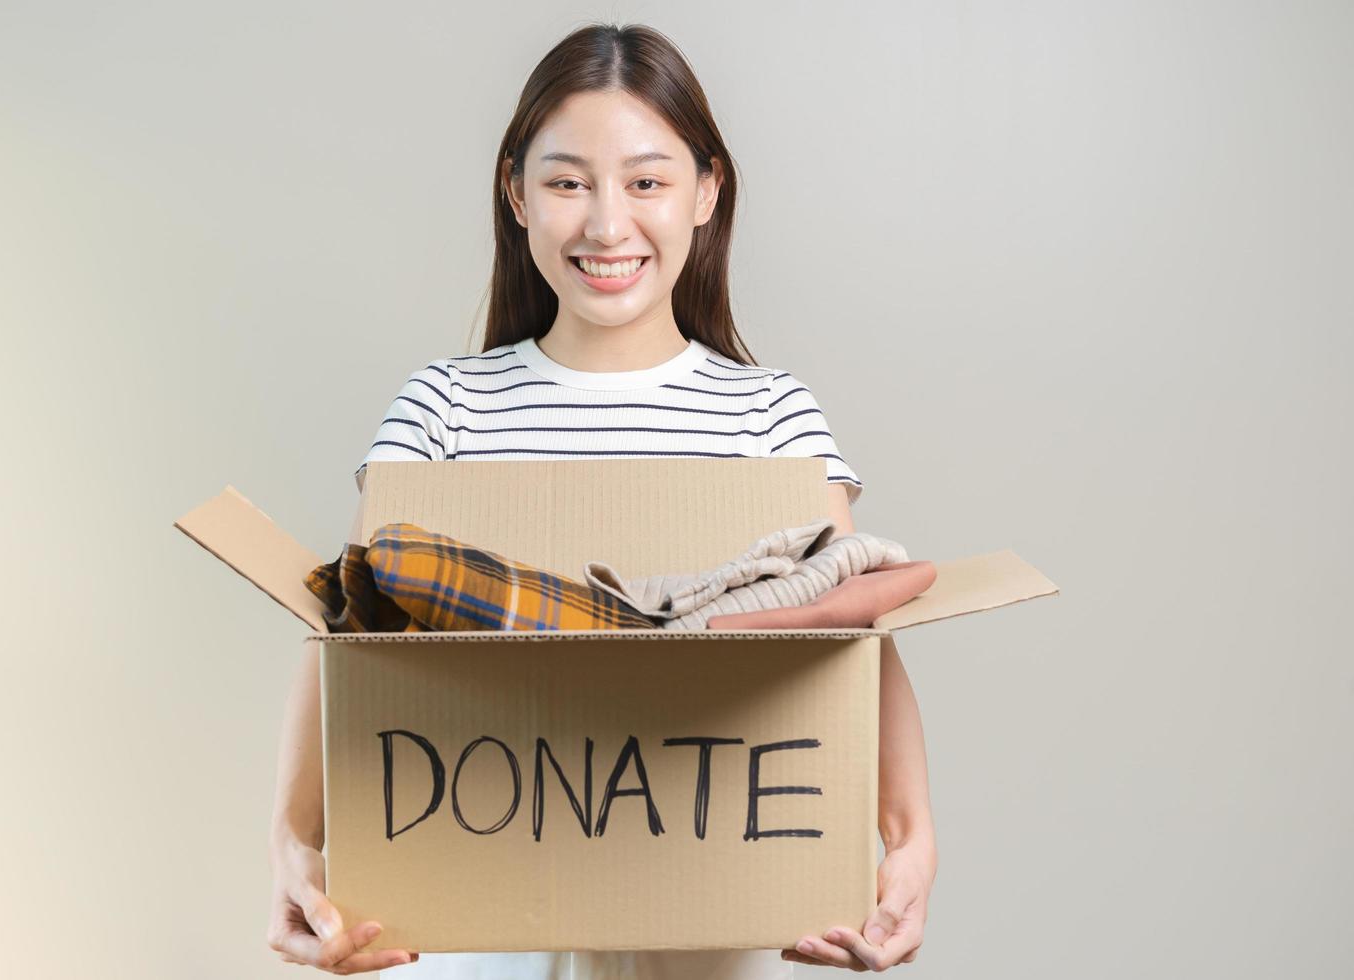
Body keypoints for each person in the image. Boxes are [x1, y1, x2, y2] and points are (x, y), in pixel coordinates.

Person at [266, 21, 937, 979]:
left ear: (707, 192)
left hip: (702, 911)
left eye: (647, 182)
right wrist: (296, 845)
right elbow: (347, 635)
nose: (607, 225)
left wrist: (910, 839)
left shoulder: (769, 416)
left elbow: (850, 638)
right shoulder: (444, 409)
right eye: (568, 181)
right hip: (475, 918)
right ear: (517, 193)